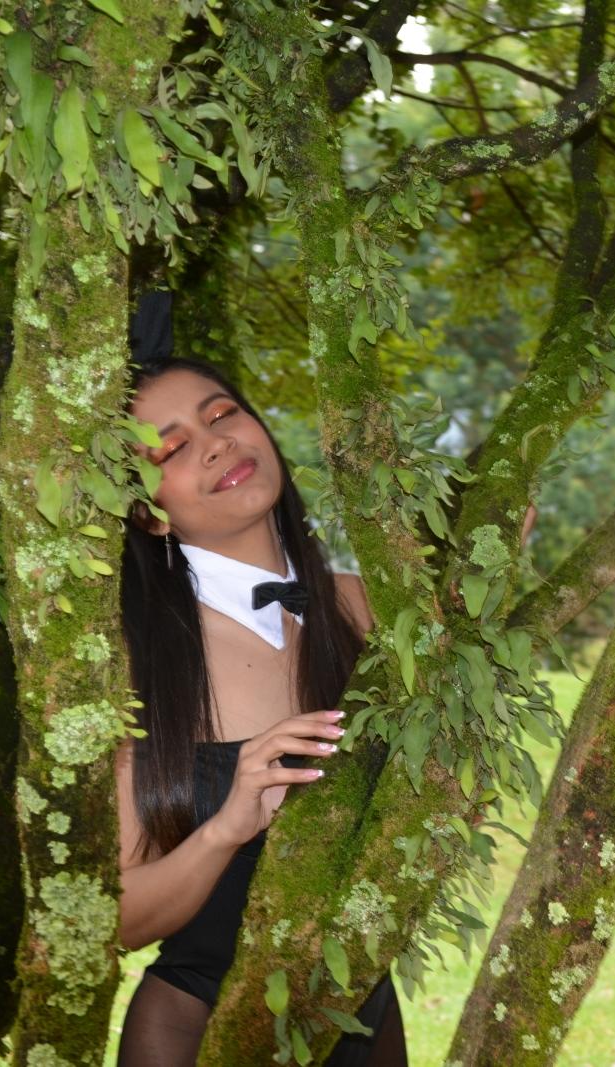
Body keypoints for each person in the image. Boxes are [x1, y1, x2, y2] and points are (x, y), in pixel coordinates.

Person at [113, 354, 407, 1065]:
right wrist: (225, 828)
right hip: (195, 1036)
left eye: (222, 414)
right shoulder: (133, 660)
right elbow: (115, 919)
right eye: (173, 448)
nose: (216, 443)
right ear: (149, 514)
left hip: (366, 1027)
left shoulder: (370, 605)